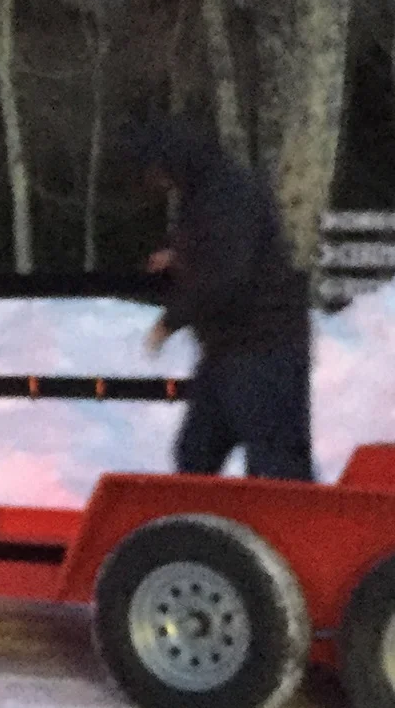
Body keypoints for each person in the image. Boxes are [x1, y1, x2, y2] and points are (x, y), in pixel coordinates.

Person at [117, 116, 315, 482]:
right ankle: (200, 535)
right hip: (226, 349)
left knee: (276, 468)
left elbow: (225, 279)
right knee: (195, 454)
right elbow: (220, 250)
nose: (154, 184)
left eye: (153, 173)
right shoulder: (203, 193)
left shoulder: (228, 195)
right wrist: (179, 256)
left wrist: (169, 322)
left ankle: (286, 536)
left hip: (265, 347)